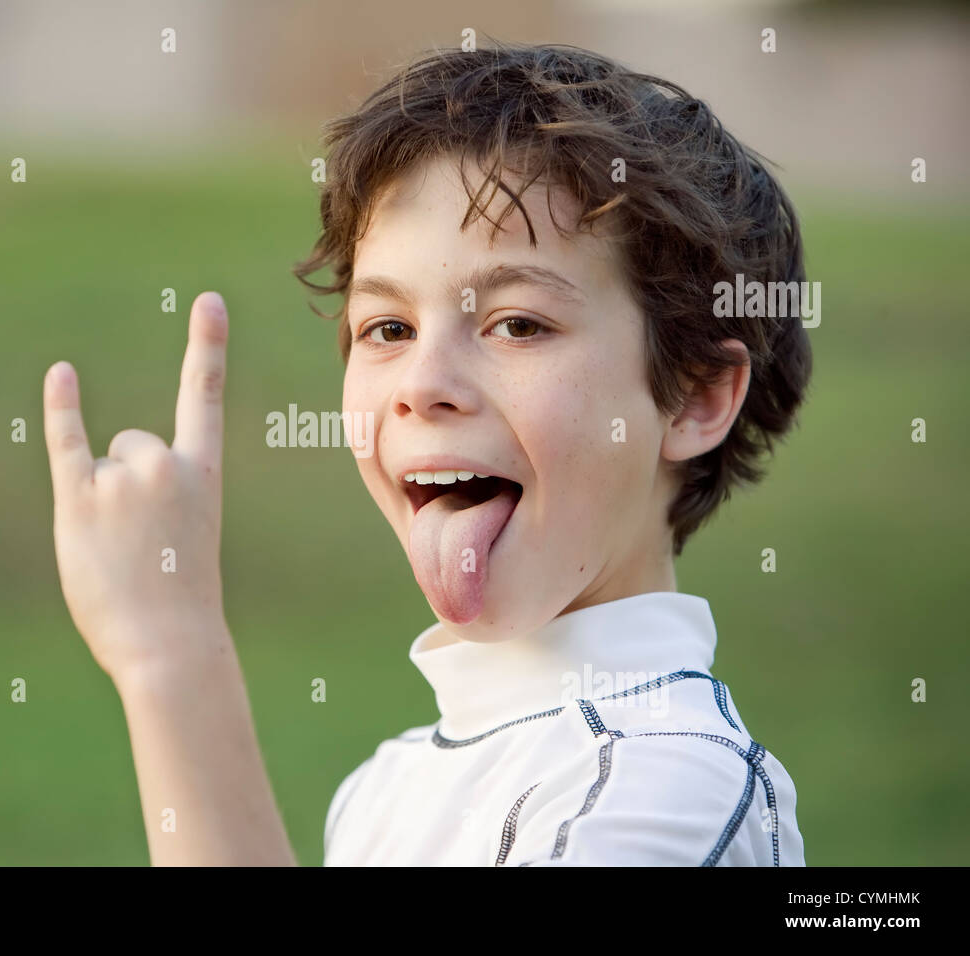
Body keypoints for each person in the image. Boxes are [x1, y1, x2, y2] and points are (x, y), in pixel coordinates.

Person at [42, 42, 812, 866]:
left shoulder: (663, 791)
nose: (423, 382)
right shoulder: (386, 786)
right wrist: (163, 647)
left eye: (517, 324)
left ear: (696, 397)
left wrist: (178, 662)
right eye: (389, 329)